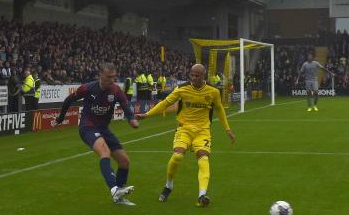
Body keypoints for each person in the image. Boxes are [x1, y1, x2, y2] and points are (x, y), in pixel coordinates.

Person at [141, 62, 235, 207]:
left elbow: (220, 109)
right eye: (192, 75)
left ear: (203, 76)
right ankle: (169, 186)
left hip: (203, 131)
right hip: (183, 129)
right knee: (177, 156)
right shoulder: (182, 89)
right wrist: (147, 114)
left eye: (197, 76)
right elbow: (165, 103)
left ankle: (202, 195)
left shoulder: (213, 91)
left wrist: (227, 129)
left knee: (203, 159)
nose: (193, 78)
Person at [53, 62, 140, 205]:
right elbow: (69, 100)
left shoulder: (116, 91)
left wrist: (131, 119)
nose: (112, 80)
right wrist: (60, 118)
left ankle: (119, 197)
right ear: (100, 75)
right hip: (88, 128)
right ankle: (114, 189)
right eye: (108, 77)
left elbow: (126, 106)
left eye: (114, 77)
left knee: (124, 161)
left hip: (104, 129)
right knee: (104, 151)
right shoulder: (87, 88)